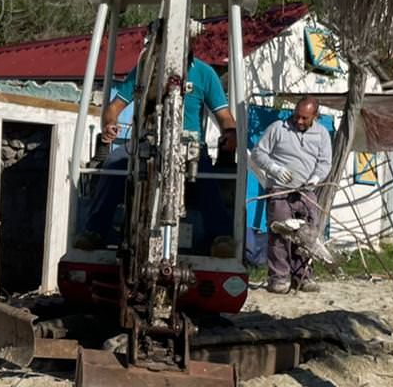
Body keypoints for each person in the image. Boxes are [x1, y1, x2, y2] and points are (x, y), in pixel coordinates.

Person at [82, 39, 238, 249]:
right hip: (146, 141)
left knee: (205, 175)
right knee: (114, 164)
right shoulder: (145, 70)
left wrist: (230, 133)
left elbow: (224, 116)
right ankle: (95, 231)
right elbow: (114, 107)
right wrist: (110, 124)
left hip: (189, 146)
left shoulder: (205, 73)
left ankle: (221, 237)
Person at [251, 95, 333, 294]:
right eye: (297, 116)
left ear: (315, 115)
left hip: (306, 192)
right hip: (280, 189)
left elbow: (324, 163)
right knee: (280, 234)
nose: (299, 121)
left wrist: (316, 177)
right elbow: (258, 153)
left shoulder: (322, 135)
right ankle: (279, 278)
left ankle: (303, 276)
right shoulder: (279, 128)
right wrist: (275, 168)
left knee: (307, 236)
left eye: (305, 118)